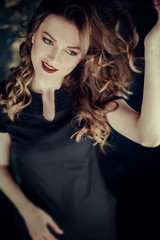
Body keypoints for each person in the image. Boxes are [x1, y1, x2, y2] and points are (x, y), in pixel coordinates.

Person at [0, 0, 160, 239]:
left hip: (96, 228)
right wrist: (27, 211)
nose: (54, 58)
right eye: (48, 40)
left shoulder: (93, 98)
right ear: (33, 35)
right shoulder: (5, 99)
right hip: (38, 230)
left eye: (71, 51)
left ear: (82, 57)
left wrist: (154, 48)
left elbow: (149, 137)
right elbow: (0, 166)